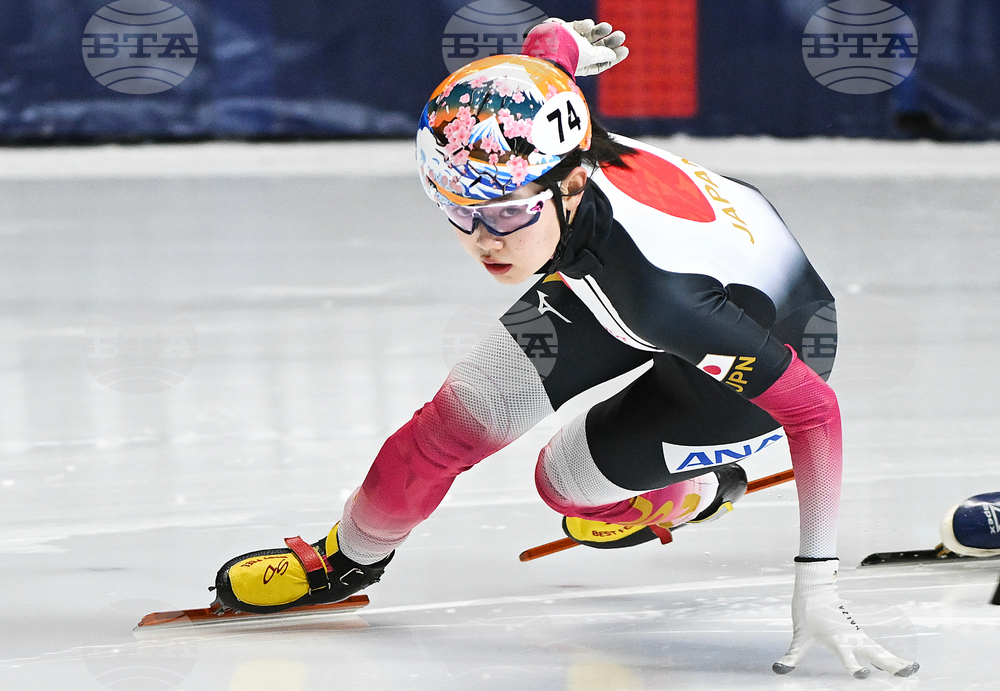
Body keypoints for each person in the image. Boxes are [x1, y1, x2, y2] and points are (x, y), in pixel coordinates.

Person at [211, 19, 918, 679]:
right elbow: (549, 51)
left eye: (508, 211)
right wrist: (555, 43)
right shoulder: (538, 138)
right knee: (447, 428)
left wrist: (816, 583)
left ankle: (693, 491)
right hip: (607, 271)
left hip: (753, 329)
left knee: (566, 484)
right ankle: (345, 562)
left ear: (572, 182)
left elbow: (815, 411)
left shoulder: (658, 294)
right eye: (460, 210)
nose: (486, 239)